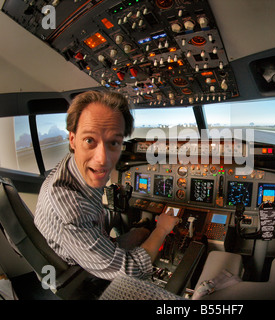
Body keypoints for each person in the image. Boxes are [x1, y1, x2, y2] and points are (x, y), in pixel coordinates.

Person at [34, 90, 179, 281]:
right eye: (89, 140)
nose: (102, 159)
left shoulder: (70, 168)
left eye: (113, 142)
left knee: (142, 232)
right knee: (152, 236)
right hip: (84, 276)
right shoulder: (70, 210)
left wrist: (144, 229)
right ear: (72, 140)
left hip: (85, 250)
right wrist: (162, 230)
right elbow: (131, 270)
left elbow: (95, 216)